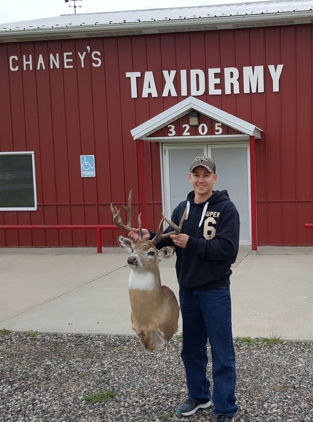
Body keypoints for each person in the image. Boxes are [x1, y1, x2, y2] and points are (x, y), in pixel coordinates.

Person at [128, 155, 240, 422]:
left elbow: (228, 250)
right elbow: (168, 238)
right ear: (190, 177)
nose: (201, 180)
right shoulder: (182, 208)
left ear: (214, 178)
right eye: (196, 175)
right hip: (187, 291)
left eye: (206, 175)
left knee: (222, 351)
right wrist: (148, 238)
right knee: (191, 348)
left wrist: (194, 243)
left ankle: (225, 408)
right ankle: (199, 397)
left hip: (215, 291)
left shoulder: (227, 210)